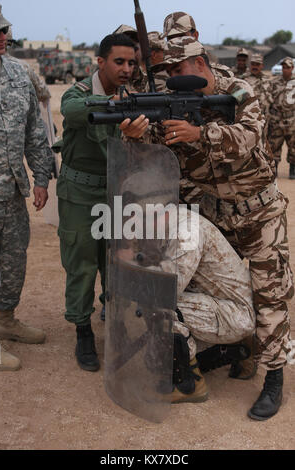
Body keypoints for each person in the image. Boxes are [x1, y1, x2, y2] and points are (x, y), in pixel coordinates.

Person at [141, 36, 294, 420]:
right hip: (215, 216)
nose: (173, 77)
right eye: (168, 71)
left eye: (179, 70)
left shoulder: (238, 90)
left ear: (201, 62)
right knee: (214, 289)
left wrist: (201, 134)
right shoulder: (169, 99)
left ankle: (273, 379)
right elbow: (158, 148)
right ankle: (231, 350)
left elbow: (250, 136)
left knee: (269, 296)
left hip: (260, 216)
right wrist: (137, 132)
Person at [117, 171, 255, 403]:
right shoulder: (164, 225)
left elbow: (167, 292)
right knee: (154, 360)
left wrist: (131, 264)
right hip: (214, 300)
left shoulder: (186, 234)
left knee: (158, 306)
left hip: (236, 313)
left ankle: (190, 384)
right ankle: (234, 350)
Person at [57, 33, 148, 372]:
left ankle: (115, 319)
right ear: (100, 62)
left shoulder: (133, 98)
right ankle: (83, 331)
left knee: (116, 262)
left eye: (131, 63)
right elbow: (71, 110)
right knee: (82, 263)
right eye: (119, 62)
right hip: (79, 195)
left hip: (115, 194)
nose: (126, 69)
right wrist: (113, 106)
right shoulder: (79, 93)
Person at [0, 5, 53, 371]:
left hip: (12, 192)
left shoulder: (19, 75)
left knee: (14, 260)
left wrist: (42, 178)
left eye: (3, 31)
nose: (3, 37)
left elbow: (35, 130)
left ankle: (3, 319)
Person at [267, 57, 295, 179]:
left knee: (293, 146)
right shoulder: (274, 83)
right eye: (283, 67)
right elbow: (268, 100)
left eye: (288, 67)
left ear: (292, 68)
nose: (285, 70)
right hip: (276, 120)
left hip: (292, 120)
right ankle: (275, 170)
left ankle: (292, 171)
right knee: (274, 146)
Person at [243, 53, 273, 136]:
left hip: (265, 118)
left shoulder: (268, 80)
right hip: (249, 118)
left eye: (257, 64)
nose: (255, 66)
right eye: (253, 64)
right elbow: (237, 100)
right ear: (249, 65)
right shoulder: (242, 80)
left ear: (262, 66)